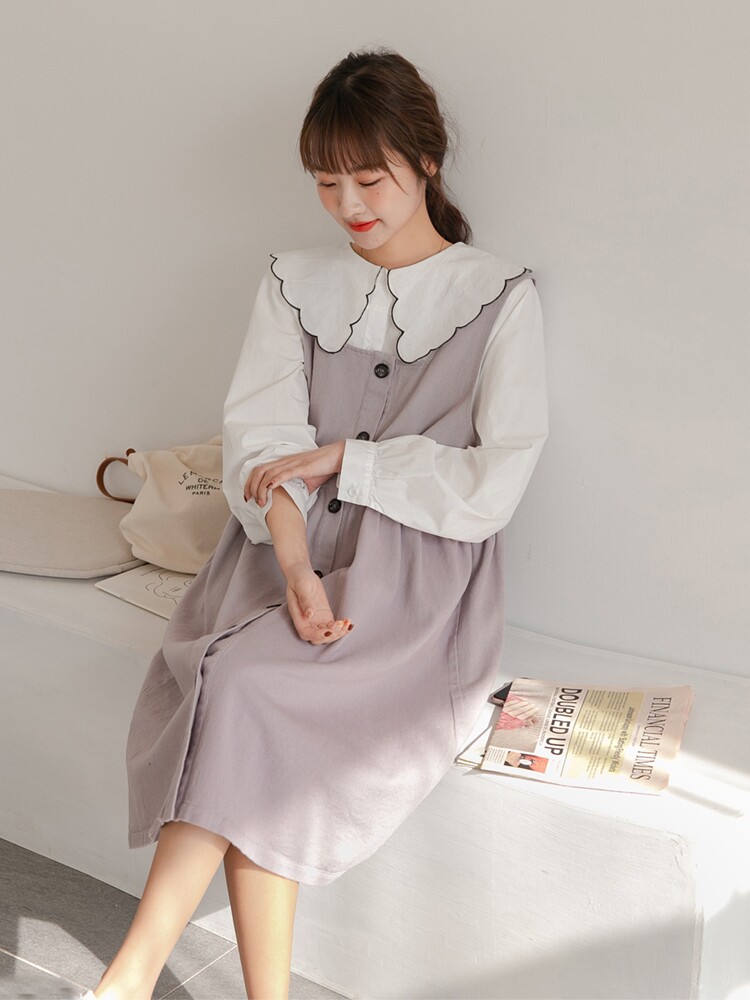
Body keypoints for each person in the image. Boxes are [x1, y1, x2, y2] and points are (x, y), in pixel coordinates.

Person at [84, 47, 548, 1000]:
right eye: (327, 183)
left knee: (243, 691)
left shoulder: (500, 295)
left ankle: (128, 980)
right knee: (246, 693)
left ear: (426, 161)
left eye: (369, 179)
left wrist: (349, 459)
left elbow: (492, 485)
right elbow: (261, 448)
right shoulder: (293, 282)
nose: (348, 204)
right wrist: (296, 571)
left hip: (412, 582)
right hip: (276, 552)